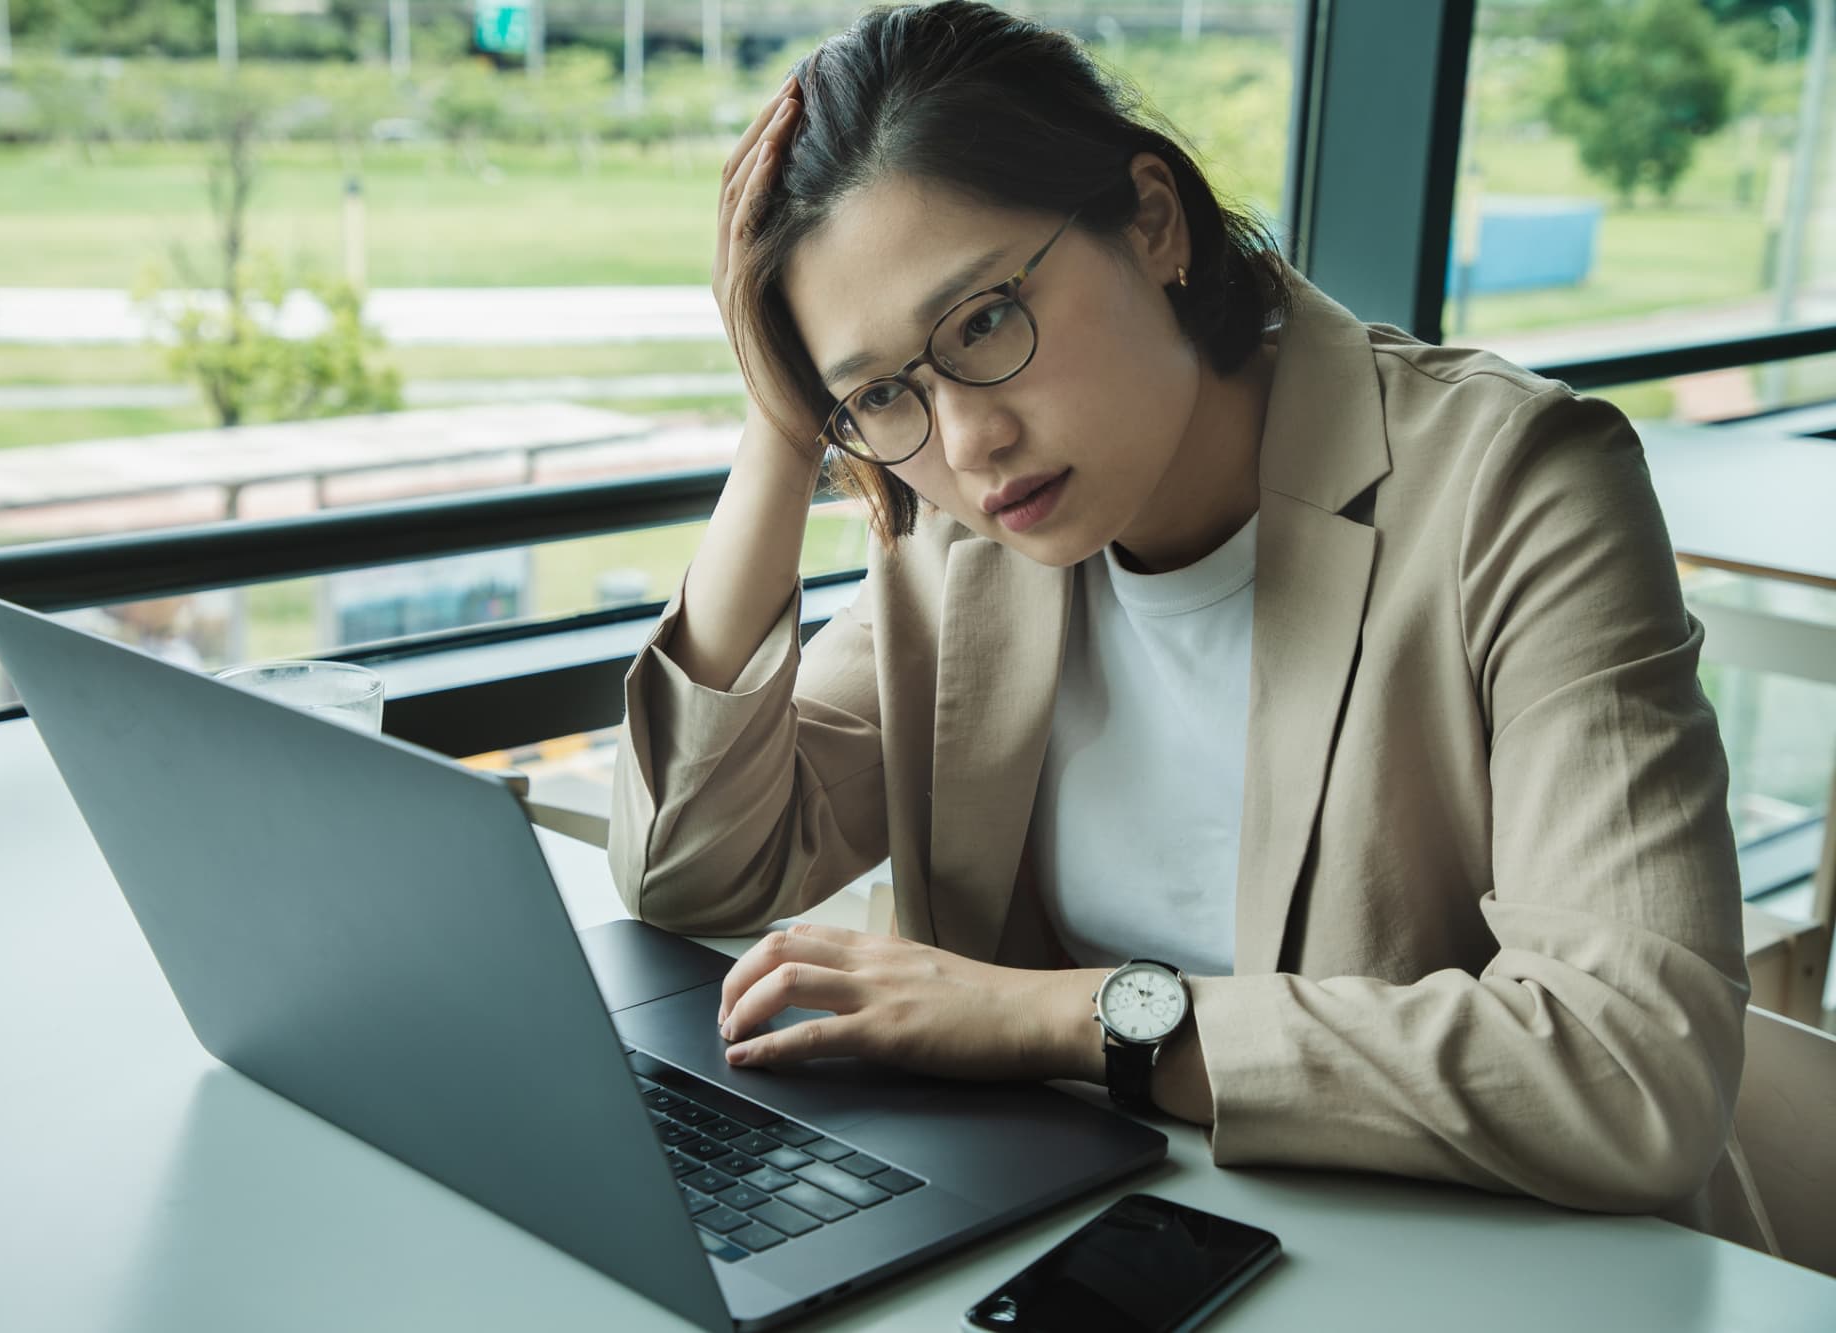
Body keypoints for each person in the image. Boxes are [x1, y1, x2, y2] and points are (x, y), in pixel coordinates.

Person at [607, 1, 1766, 1247]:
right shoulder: (958, 534)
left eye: (985, 321)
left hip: (1490, 1273)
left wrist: (1055, 1017)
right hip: (1116, 1238)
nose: (965, 439)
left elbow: (1635, 1068)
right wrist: (787, 423)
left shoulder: (1516, 487)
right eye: (884, 393)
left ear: (1151, 221)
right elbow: (691, 865)